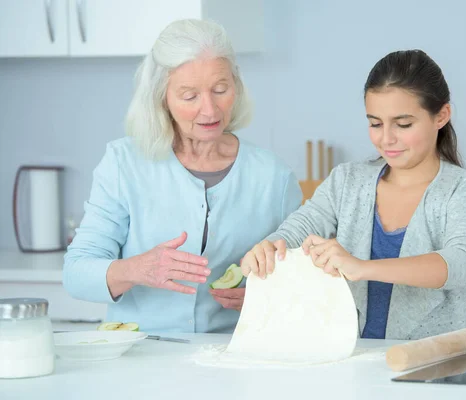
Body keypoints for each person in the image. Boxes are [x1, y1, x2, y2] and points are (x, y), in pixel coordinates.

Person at [63, 19, 302, 333]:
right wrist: (136, 269)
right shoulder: (123, 164)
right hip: (141, 358)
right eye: (190, 96)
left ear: (237, 86)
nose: (210, 110)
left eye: (221, 90)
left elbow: (304, 281)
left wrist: (267, 296)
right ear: (162, 98)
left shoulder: (273, 177)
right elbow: (76, 273)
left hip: (234, 360)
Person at [241, 49, 466, 340]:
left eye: (403, 124)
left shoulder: (462, 188)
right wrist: (269, 248)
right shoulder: (347, 181)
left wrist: (362, 268)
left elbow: (464, 261)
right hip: (358, 366)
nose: (386, 138)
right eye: (375, 123)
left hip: (441, 366)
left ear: (441, 116)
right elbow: (300, 228)